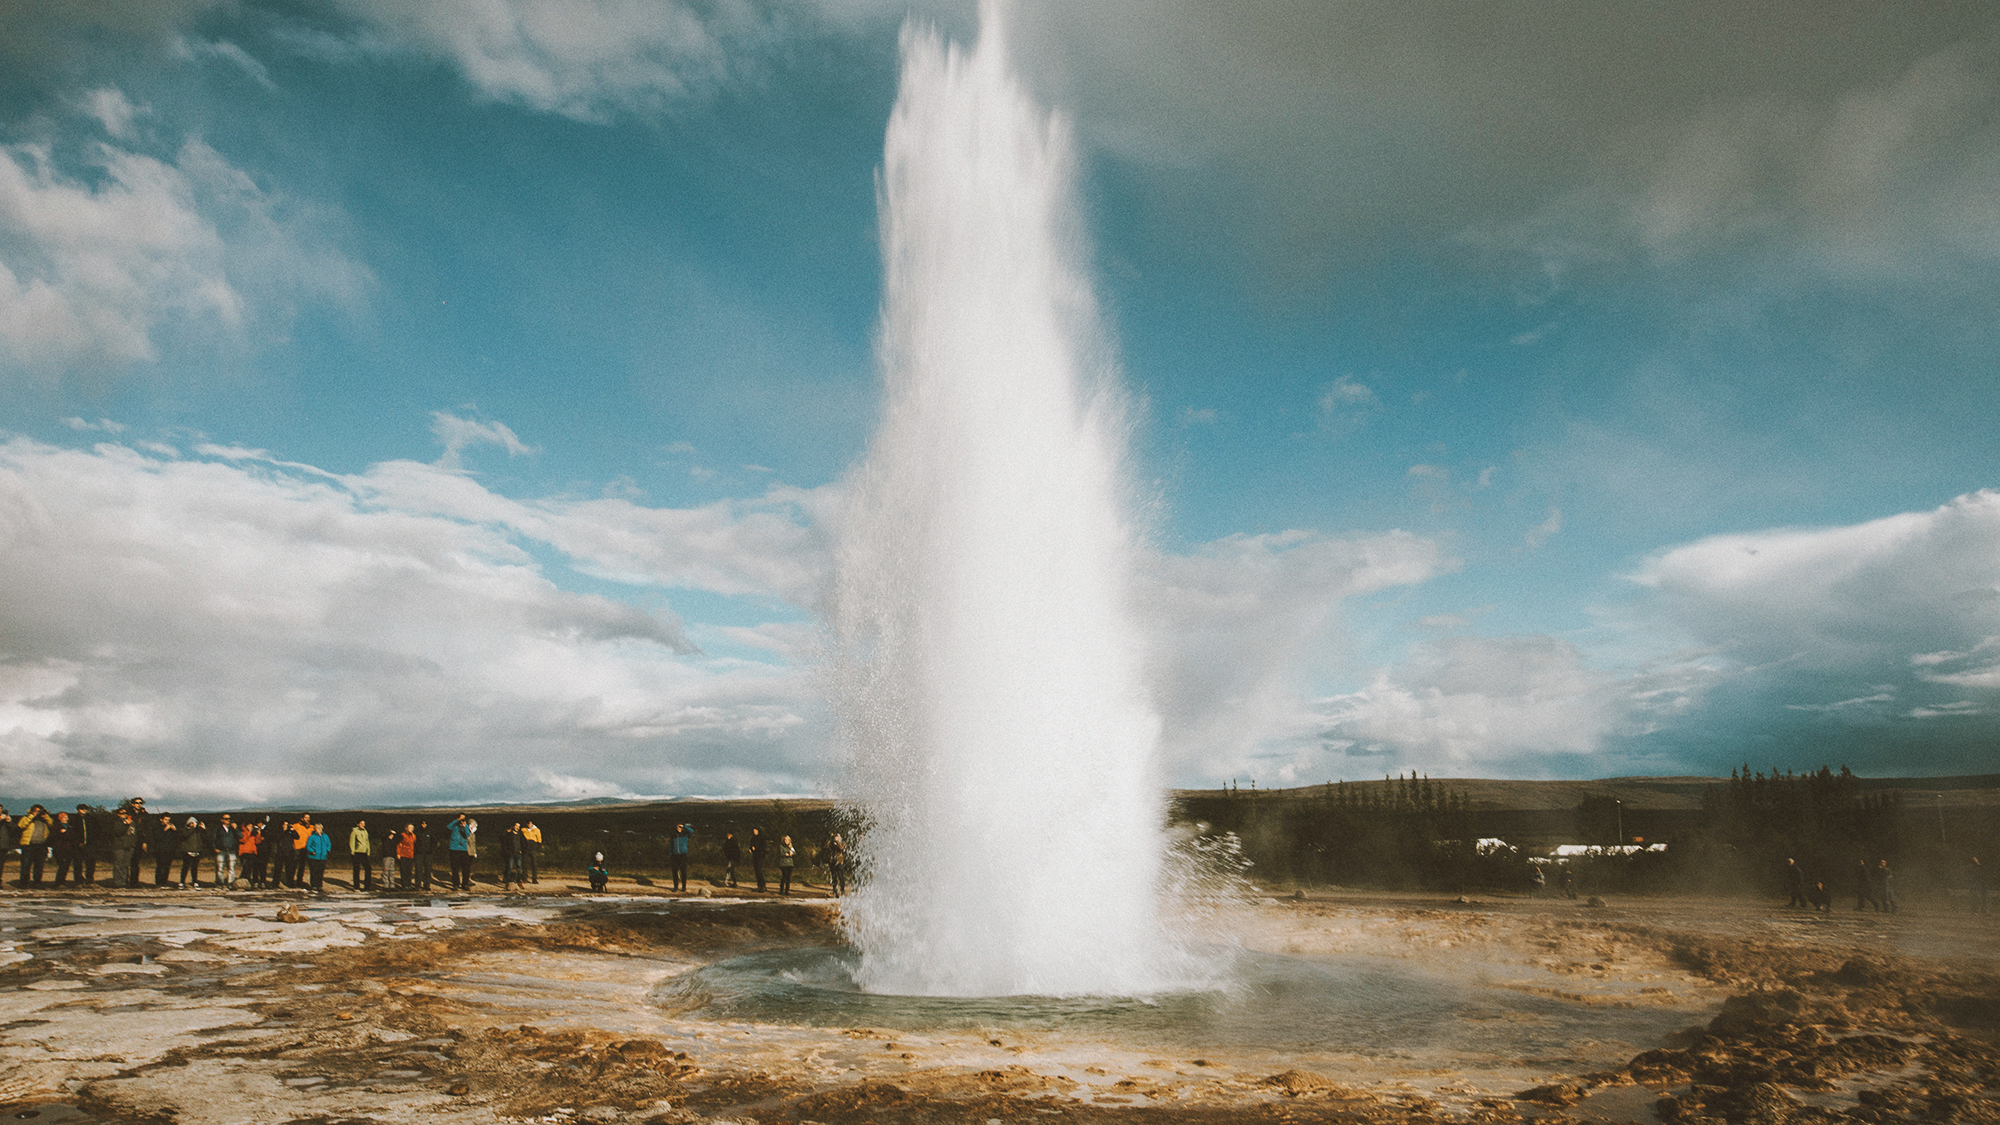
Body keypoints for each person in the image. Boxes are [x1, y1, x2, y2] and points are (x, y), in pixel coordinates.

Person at [15, 805, 53, 886]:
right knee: (26, 865)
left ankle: (37, 882)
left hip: (41, 845)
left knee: (39, 865)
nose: (38, 813)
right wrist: (31, 816)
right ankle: (24, 883)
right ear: (32, 811)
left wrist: (46, 816)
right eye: (36, 811)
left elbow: (52, 825)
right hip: (28, 845)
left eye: (40, 811)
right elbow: (21, 825)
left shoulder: (44, 820)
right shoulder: (26, 817)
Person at [108, 809, 138, 888]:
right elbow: (118, 832)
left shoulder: (132, 823)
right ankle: (118, 883)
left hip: (129, 847)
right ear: (118, 814)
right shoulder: (116, 823)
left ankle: (124, 881)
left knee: (125, 865)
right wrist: (125, 824)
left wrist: (133, 844)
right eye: (122, 813)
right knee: (118, 865)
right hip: (119, 847)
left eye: (126, 813)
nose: (124, 814)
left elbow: (134, 834)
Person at [50, 811, 81, 887]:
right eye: (65, 817)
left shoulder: (69, 826)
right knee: (62, 865)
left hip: (69, 849)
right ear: (60, 818)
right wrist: (63, 833)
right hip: (60, 849)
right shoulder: (57, 826)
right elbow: (55, 836)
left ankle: (62, 881)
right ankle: (58, 882)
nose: (67, 818)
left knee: (66, 865)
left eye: (67, 816)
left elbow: (72, 836)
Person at [177, 816, 206, 888]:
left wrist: (204, 829)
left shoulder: (198, 831)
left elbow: (205, 837)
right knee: (185, 867)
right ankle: (182, 882)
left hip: (196, 852)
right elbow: (185, 835)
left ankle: (195, 882)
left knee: (194, 868)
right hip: (187, 852)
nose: (195, 825)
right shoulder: (185, 830)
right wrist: (193, 828)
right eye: (193, 823)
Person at [212, 814, 239, 889]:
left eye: (229, 819)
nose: (228, 820)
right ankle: (219, 883)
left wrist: (236, 829)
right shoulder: (218, 829)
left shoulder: (232, 829)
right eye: (226, 819)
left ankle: (230, 883)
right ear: (222, 820)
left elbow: (240, 836)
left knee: (231, 868)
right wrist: (214, 848)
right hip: (221, 851)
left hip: (231, 851)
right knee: (219, 868)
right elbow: (213, 839)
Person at [72, 804, 97, 885]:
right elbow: (72, 833)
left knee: (90, 864)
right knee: (78, 864)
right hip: (78, 845)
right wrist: (77, 842)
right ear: (77, 810)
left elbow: (97, 830)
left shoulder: (91, 819)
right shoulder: (74, 819)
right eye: (81, 809)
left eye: (85, 809)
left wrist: (93, 842)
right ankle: (78, 881)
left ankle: (90, 880)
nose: (84, 810)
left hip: (89, 845)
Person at [305, 822, 332, 893]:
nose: (319, 829)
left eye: (320, 828)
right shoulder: (312, 837)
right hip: (313, 857)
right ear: (315, 829)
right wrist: (312, 851)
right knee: (314, 872)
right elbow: (308, 845)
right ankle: (313, 886)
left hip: (323, 857)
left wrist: (327, 850)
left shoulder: (325, 836)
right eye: (318, 828)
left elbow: (328, 844)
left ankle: (319, 886)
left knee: (320, 872)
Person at [447, 815, 472, 891]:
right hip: (454, 848)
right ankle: (455, 884)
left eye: (463, 819)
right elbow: (448, 826)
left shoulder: (466, 826)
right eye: (461, 819)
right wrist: (456, 820)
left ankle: (465, 884)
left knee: (466, 868)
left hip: (463, 849)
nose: (462, 820)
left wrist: (464, 827)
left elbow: (468, 835)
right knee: (455, 867)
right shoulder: (454, 826)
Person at [348, 820, 375, 892]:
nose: (363, 825)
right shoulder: (354, 831)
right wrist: (352, 851)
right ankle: (356, 887)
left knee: (368, 868)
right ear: (358, 824)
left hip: (364, 852)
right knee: (356, 869)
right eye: (361, 823)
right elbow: (352, 842)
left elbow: (367, 841)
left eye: (364, 823)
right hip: (357, 852)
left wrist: (368, 850)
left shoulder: (365, 831)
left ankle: (367, 886)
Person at [153, 814, 179, 887]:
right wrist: (165, 830)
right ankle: (158, 883)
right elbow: (157, 837)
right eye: (165, 820)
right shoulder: (157, 827)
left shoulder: (171, 828)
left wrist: (175, 830)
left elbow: (177, 838)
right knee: (160, 866)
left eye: (168, 820)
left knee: (167, 867)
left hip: (169, 850)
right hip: (160, 850)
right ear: (161, 820)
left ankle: (164, 882)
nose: (167, 821)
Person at [240, 819, 264, 889]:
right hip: (244, 852)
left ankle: (251, 882)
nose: (251, 828)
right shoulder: (243, 832)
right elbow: (243, 840)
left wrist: (258, 834)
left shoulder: (253, 833)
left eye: (251, 826)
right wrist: (249, 833)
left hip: (252, 851)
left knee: (251, 868)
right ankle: (244, 882)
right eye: (249, 826)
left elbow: (257, 842)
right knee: (245, 868)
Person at [500, 823, 524, 892]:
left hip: (518, 853)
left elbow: (524, 842)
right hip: (511, 853)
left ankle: (519, 881)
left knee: (519, 868)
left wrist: (522, 850)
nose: (517, 827)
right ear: (513, 826)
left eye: (519, 826)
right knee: (509, 868)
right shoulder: (509, 834)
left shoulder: (520, 834)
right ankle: (507, 882)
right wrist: (507, 851)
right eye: (516, 826)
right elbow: (503, 840)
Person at [669, 823, 691, 892]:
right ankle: (675, 887)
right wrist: (670, 854)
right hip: (675, 855)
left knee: (683, 872)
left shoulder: (685, 835)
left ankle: (683, 887)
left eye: (680, 827)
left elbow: (692, 831)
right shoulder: (673, 835)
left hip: (683, 855)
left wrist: (684, 826)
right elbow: (670, 846)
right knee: (675, 872)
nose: (679, 829)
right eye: (678, 827)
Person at [414, 819, 435, 891]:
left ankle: (427, 885)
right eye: (422, 823)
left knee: (428, 870)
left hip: (428, 854)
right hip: (419, 853)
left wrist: (431, 849)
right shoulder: (417, 832)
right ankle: (417, 885)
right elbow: (414, 842)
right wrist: (416, 849)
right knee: (418, 869)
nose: (423, 825)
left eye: (425, 823)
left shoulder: (430, 832)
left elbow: (434, 841)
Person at [395, 824, 417, 890]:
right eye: (409, 827)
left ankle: (408, 885)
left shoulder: (414, 836)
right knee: (403, 870)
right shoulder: (402, 835)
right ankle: (404, 885)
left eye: (412, 828)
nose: (411, 829)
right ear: (406, 828)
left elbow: (414, 845)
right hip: (403, 854)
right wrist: (398, 853)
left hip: (410, 855)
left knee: (409, 871)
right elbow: (398, 844)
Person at [750, 828, 767, 892]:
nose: (754, 831)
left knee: (759, 870)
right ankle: (759, 885)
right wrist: (751, 850)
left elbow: (763, 848)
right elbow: (751, 846)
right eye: (753, 830)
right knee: (756, 871)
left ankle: (763, 885)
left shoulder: (761, 839)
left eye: (755, 830)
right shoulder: (752, 838)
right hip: (755, 856)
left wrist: (756, 849)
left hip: (760, 856)